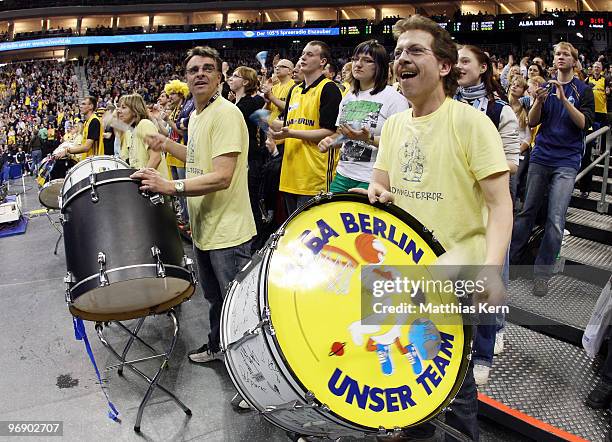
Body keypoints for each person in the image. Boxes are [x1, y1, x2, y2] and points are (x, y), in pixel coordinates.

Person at [355, 15, 512, 441]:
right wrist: (375, 188)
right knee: (404, 376)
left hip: (455, 274)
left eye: (416, 50)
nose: (403, 58)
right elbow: (381, 181)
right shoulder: (393, 125)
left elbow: (500, 207)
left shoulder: (471, 122)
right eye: (400, 51)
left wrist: (492, 270)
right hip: (397, 271)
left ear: (444, 66)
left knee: (452, 390)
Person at [132, 46, 256, 364]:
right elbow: (199, 159)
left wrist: (169, 186)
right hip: (205, 227)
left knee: (236, 305)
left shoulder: (226, 114)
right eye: (193, 70)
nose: (199, 73)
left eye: (207, 68)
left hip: (228, 230)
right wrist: (168, 145)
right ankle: (218, 347)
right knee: (216, 299)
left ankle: (251, 375)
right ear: (186, 78)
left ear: (219, 76)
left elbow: (222, 177)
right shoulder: (198, 115)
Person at [454, 44, 520, 385]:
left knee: (492, 276)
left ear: (483, 68)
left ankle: (484, 350)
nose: (459, 65)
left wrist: (474, 167)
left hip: (490, 206)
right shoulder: (445, 107)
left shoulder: (500, 111)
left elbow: (513, 161)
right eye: (456, 60)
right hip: (455, 206)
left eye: (466, 60)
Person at [510, 42, 595, 297]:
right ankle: (511, 262)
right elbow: (534, 121)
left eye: (565, 54)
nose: (560, 57)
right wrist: (538, 101)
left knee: (556, 219)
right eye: (557, 54)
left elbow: (584, 124)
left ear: (574, 61)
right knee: (526, 211)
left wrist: (564, 101)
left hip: (567, 161)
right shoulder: (545, 86)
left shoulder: (583, 90)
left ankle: (542, 275)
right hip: (541, 156)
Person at [318, 39, 408, 192]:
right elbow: (344, 136)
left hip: (373, 179)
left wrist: (368, 139)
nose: (358, 64)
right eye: (355, 59)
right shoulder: (348, 97)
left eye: (367, 61)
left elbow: (400, 144)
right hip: (342, 175)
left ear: (379, 67)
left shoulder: (394, 99)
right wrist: (331, 141)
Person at [269, 40, 342, 215]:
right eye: (303, 54)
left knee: (314, 236)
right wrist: (277, 134)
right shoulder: (294, 90)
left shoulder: (329, 89)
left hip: (315, 176)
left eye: (309, 54)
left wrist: (292, 133)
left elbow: (331, 133)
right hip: (290, 174)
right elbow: (289, 125)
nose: (303, 58)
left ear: (322, 61)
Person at [227, 66, 267, 250]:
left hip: (252, 160)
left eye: (235, 76)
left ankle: (256, 246)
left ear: (245, 82)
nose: (230, 78)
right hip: (246, 159)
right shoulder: (239, 103)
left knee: (251, 205)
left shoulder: (248, 104)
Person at [117, 93, 169, 177]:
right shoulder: (129, 131)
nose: (119, 111)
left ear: (135, 110)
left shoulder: (145, 124)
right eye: (119, 107)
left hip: (156, 185)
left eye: (123, 107)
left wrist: (141, 179)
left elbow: (156, 157)